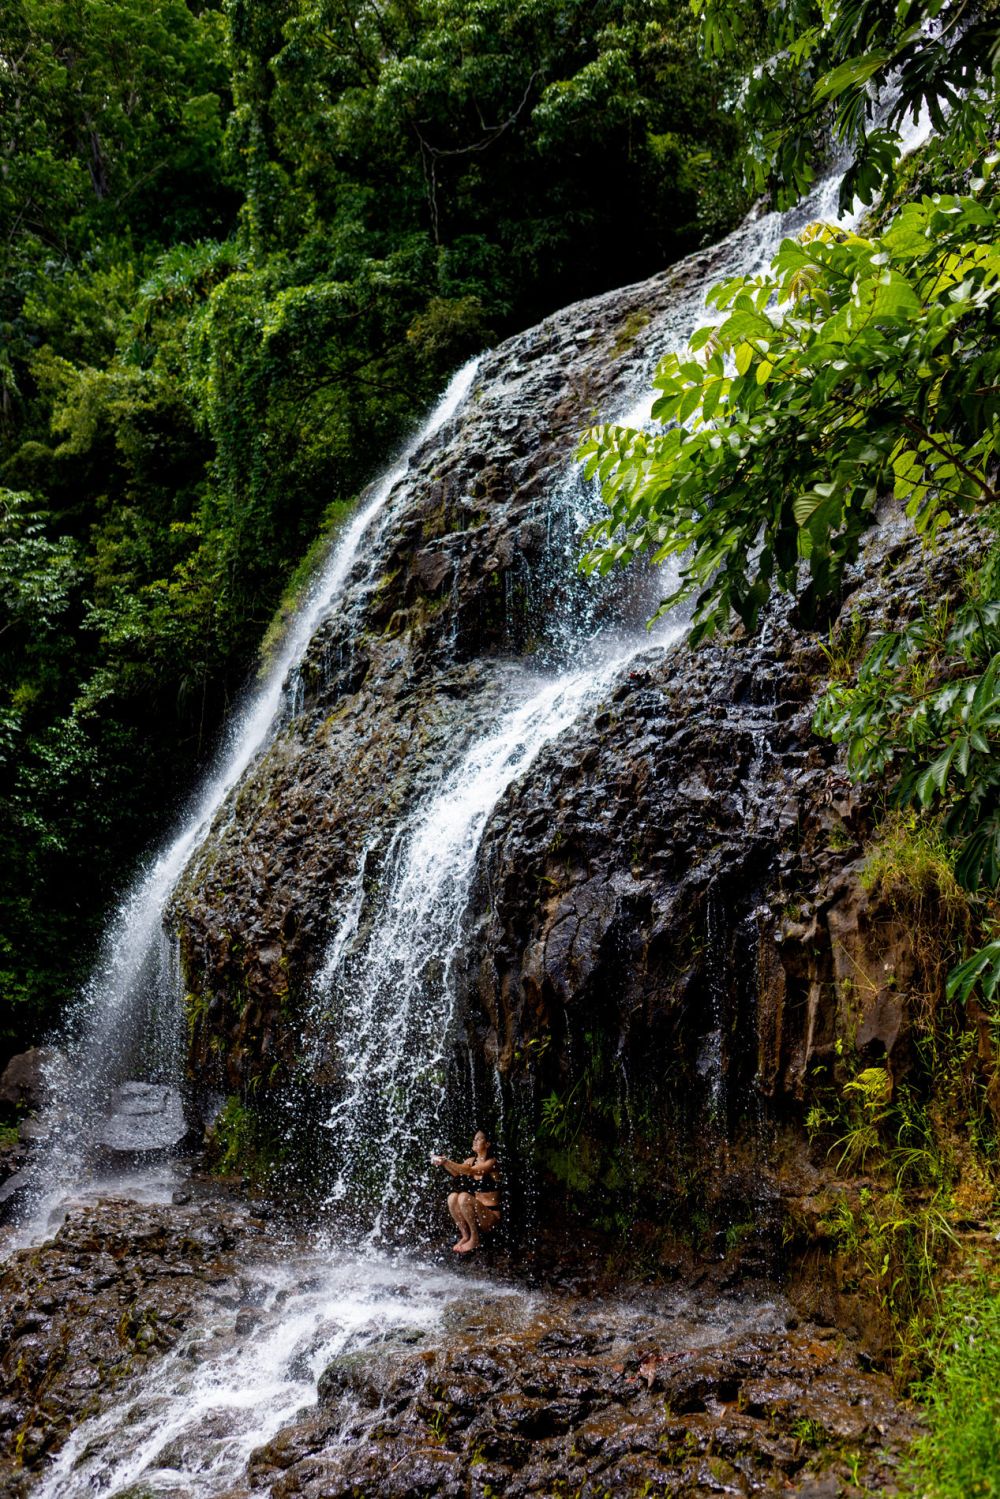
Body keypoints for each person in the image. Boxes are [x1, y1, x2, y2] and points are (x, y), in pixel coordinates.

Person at [431, 1130, 501, 1253]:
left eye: (479, 1139)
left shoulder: (492, 1163)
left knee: (463, 1196)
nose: (475, 1141)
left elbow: (470, 1171)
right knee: (452, 1197)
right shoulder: (471, 1160)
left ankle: (475, 1238)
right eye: (474, 1138)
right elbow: (456, 1172)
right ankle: (465, 1236)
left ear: (488, 1144)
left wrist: (447, 1161)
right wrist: (442, 1162)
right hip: (477, 1215)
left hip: (490, 1218)